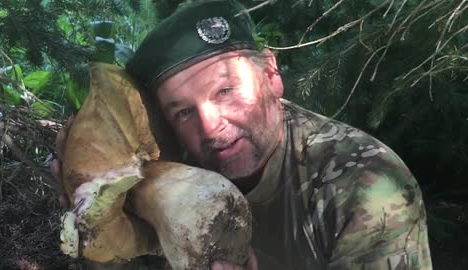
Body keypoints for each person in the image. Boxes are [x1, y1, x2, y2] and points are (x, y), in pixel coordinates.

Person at [53, 0, 433, 269]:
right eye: (184, 112)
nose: (210, 127)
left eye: (225, 91)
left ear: (271, 74)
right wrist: (88, 207)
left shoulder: (365, 186)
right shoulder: (171, 162)